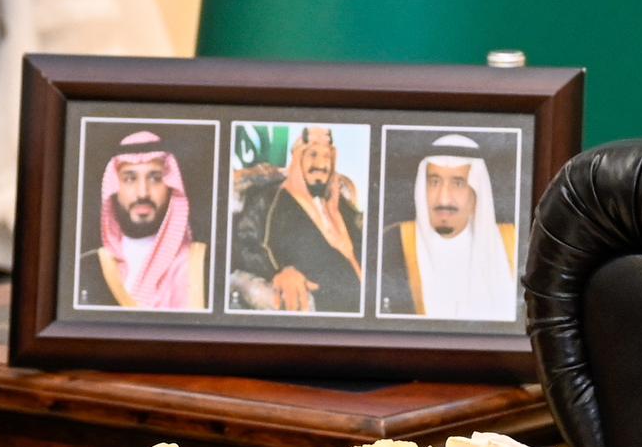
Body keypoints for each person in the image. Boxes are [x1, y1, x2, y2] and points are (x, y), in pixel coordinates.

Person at [232, 123, 367, 312]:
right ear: (298, 158)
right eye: (313, 154)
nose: (321, 164)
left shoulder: (341, 205)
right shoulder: (270, 198)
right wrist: (280, 272)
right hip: (320, 305)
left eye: (326, 156)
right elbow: (246, 245)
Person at [384, 132, 519, 320]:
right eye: (434, 182)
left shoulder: (512, 242)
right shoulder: (391, 243)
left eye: (458, 183)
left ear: (476, 191)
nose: (444, 199)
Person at [77, 129, 210, 308]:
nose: (142, 193)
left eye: (155, 178)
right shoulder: (86, 269)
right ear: (114, 188)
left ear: (171, 187)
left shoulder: (203, 266)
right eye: (129, 179)